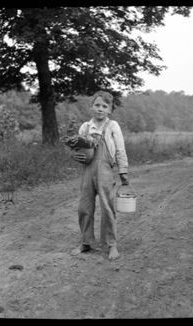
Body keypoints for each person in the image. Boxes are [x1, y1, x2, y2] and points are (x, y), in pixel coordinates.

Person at [71, 90, 129, 260]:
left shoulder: (112, 126)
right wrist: (74, 155)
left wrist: (123, 171)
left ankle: (111, 244)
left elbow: (120, 149)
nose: (100, 109)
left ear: (110, 110)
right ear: (91, 107)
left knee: (107, 207)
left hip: (105, 171)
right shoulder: (85, 127)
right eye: (97, 105)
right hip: (87, 170)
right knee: (84, 207)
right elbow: (76, 149)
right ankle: (86, 242)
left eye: (105, 106)